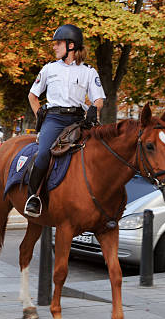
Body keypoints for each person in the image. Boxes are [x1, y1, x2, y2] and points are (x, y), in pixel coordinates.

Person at [25, 24, 105, 217]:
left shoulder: (88, 71)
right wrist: (40, 116)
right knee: (44, 153)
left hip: (78, 119)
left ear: (71, 46)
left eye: (58, 43)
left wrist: (95, 108)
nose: (54, 47)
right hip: (54, 119)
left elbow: (99, 98)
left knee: (99, 150)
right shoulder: (48, 69)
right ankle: (33, 197)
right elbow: (32, 96)